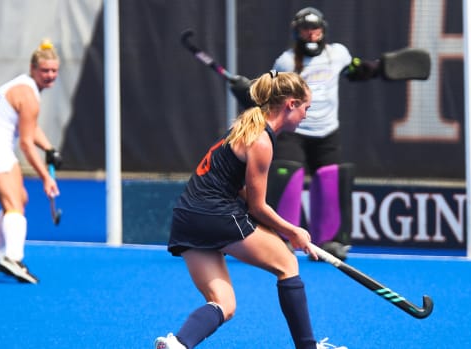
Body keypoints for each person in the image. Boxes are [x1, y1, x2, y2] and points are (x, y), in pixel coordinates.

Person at [154, 71, 346, 349]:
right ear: (290, 104)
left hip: (187, 218)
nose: (306, 115)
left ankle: (177, 344)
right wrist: (294, 232)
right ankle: (308, 347)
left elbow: (243, 193)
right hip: (216, 214)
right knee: (287, 263)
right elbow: (257, 206)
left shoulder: (244, 128)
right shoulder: (261, 141)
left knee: (224, 303)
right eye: (306, 107)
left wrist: (277, 230)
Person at [230, 7, 383, 260]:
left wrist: (377, 67)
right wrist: (247, 91)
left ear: (323, 31)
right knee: (288, 177)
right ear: (297, 33)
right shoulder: (286, 61)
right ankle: (281, 239)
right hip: (295, 130)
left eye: (315, 29)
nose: (311, 34)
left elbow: (356, 70)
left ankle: (330, 242)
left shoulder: (339, 54)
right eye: (305, 30)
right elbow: (271, 92)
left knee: (329, 179)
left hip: (327, 130)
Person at [0, 39, 63, 284]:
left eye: (54, 71)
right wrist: (46, 177)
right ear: (33, 69)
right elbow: (26, 143)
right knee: (13, 203)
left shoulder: (22, 86)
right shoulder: (28, 95)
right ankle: (13, 258)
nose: (50, 75)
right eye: (45, 71)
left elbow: (30, 127)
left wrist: (49, 148)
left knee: (18, 199)